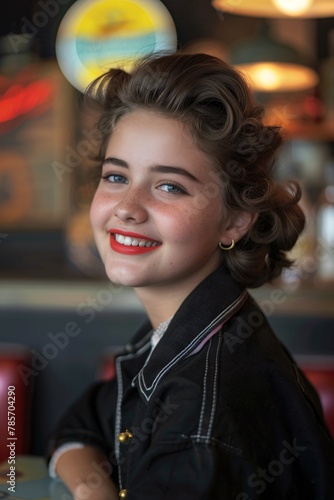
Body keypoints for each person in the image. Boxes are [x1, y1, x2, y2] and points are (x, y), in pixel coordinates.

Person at [47, 53, 334, 500]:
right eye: (116, 176)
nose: (127, 206)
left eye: (169, 186)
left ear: (235, 221)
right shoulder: (183, 335)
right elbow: (83, 423)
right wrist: (93, 489)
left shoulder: (203, 409)